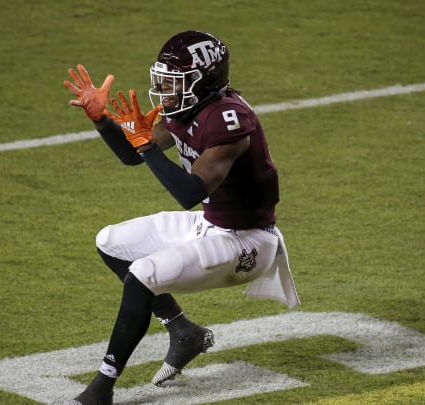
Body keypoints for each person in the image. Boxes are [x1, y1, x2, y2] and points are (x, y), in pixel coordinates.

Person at [63, 30, 300, 405]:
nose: (165, 88)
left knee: (142, 276)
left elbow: (190, 192)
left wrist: (145, 146)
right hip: (213, 226)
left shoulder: (229, 121)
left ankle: (101, 387)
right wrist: (102, 121)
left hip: (249, 241)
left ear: (204, 80)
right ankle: (182, 330)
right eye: (165, 78)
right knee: (109, 241)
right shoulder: (185, 109)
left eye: (177, 81)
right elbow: (133, 154)